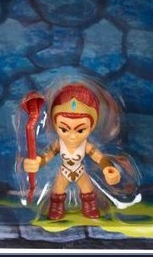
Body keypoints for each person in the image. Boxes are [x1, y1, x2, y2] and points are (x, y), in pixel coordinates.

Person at [22, 83, 121, 220]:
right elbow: (47, 156)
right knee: (58, 190)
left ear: (91, 126)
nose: (72, 136)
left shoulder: (86, 145)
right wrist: (37, 163)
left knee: (87, 190)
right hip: (64, 171)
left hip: (80, 171)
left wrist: (107, 168)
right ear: (55, 124)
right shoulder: (58, 144)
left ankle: (90, 206)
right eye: (64, 129)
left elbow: (99, 158)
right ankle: (56, 207)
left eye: (80, 130)